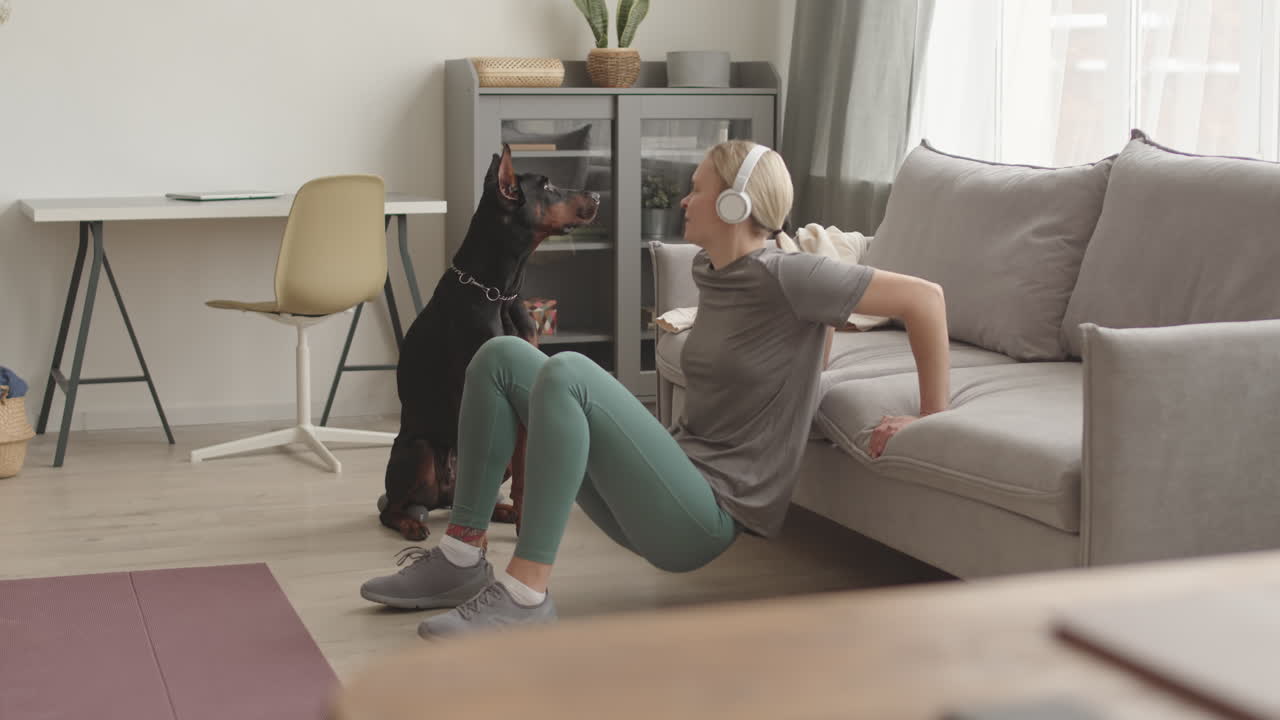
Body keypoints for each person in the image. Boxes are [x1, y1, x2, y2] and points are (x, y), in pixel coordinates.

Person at [359, 140, 950, 638]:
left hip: (708, 515)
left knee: (569, 372)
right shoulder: (710, 271)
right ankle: (462, 558)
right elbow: (800, 343)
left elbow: (926, 299)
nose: (684, 199)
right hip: (664, 487)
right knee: (499, 356)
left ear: (735, 203)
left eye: (697, 189)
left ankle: (528, 592)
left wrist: (930, 417)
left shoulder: (793, 273)